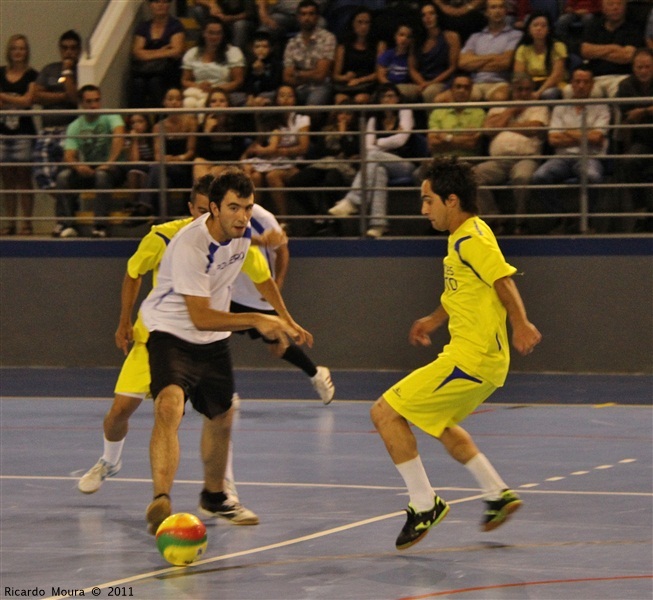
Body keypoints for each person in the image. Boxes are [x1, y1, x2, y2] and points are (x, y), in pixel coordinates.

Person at [370, 155, 542, 551]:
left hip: (472, 358)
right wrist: (432, 320)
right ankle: (497, 493)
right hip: (478, 359)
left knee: (384, 412)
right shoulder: (462, 238)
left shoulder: (472, 237)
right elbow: (462, 292)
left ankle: (423, 504)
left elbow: (502, 280)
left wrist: (522, 323)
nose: (423, 209)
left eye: (428, 200)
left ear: (451, 200)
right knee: (441, 424)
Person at [139, 168, 312, 534]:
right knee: (169, 405)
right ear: (212, 209)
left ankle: (214, 497)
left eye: (247, 207)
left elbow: (264, 281)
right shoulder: (190, 244)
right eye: (233, 207)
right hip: (171, 330)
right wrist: (257, 321)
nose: (242, 215)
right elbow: (200, 317)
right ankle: (161, 499)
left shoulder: (242, 235)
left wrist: (287, 320)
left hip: (211, 340)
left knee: (222, 416)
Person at [77, 176, 214, 495]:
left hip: (199, 344)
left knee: (209, 417)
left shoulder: (230, 242)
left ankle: (220, 489)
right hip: (154, 338)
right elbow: (134, 273)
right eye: (201, 210)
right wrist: (124, 321)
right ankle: (110, 461)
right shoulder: (163, 238)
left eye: (213, 211)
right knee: (118, 413)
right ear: (190, 208)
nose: (207, 218)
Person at [230, 203, 335, 403]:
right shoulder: (218, 213)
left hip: (259, 294)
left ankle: (317, 374)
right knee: (214, 336)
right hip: (230, 292)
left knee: (278, 347)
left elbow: (282, 250)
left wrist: (277, 283)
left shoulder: (263, 217)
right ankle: (224, 392)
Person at [328, 83, 418, 239]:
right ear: (379, 99)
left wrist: (379, 142)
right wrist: (384, 141)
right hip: (380, 163)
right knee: (378, 171)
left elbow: (401, 141)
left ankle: (354, 200)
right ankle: (378, 224)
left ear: (398, 98)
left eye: (392, 96)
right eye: (385, 96)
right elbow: (368, 146)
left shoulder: (404, 112)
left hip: (404, 163)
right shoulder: (374, 120)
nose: (388, 99)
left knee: (373, 158)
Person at [530, 65, 610, 233]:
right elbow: (553, 139)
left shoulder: (601, 107)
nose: (581, 85)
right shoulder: (560, 107)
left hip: (590, 157)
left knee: (592, 176)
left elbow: (597, 138)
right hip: (562, 158)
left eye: (585, 82)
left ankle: (588, 221)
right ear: (571, 83)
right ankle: (561, 218)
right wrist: (584, 135)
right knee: (539, 176)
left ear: (592, 84)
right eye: (577, 81)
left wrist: (567, 133)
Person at [474, 73, 549, 233]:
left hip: (526, 158)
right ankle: (494, 219)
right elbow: (488, 130)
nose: (523, 94)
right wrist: (510, 112)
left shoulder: (539, 106)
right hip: (498, 161)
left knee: (522, 177)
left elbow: (535, 127)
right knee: (472, 175)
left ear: (532, 91)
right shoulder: (500, 106)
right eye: (519, 90)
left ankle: (521, 223)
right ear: (512, 91)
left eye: (527, 90)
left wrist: (504, 124)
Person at [54, 85, 126, 238]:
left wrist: (110, 162)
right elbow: (69, 154)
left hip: (115, 168)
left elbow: (119, 137)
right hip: (90, 168)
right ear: (81, 103)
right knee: (63, 177)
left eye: (97, 100)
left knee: (102, 175)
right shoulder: (75, 126)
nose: (94, 105)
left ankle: (100, 226)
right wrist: (78, 165)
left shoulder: (111, 116)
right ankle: (66, 224)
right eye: (89, 101)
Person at [241, 85, 310, 219]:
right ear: (276, 99)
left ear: (295, 99)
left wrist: (277, 151)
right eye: (282, 96)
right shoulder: (272, 118)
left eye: (290, 96)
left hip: (294, 163)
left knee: (273, 176)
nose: (286, 99)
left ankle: (284, 220)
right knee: (254, 176)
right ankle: (251, 218)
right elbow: (261, 140)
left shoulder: (301, 119)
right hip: (271, 159)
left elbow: (303, 148)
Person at [32, 30, 81, 203]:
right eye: (65, 48)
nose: (69, 52)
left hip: (69, 131)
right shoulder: (49, 69)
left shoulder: (81, 71)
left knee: (66, 176)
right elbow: (36, 96)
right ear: (60, 49)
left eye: (73, 48)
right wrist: (62, 97)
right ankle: (64, 207)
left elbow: (75, 97)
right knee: (42, 174)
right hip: (47, 130)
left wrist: (68, 72)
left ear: (79, 50)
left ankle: (66, 218)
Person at [138, 87, 197, 219]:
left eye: (177, 99)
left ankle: (145, 206)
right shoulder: (159, 127)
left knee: (157, 168)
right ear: (164, 102)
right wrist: (167, 160)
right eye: (170, 99)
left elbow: (191, 152)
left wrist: (175, 159)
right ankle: (162, 217)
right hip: (166, 168)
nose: (174, 102)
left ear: (182, 102)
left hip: (184, 167)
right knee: (161, 177)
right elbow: (158, 155)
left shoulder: (190, 123)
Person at [0, 34, 38, 236]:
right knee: (7, 179)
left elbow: (28, 101)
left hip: (24, 132)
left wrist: (4, 98)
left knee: (24, 178)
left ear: (26, 51)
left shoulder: (32, 75)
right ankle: (10, 222)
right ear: (9, 51)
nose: (18, 52)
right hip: (3, 132)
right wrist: (16, 100)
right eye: (14, 48)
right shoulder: (0, 73)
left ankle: (27, 223)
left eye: (22, 48)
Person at [449, 0, 522, 102]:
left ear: (505, 11)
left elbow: (505, 62)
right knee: (443, 99)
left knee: (499, 97)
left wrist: (476, 63)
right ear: (486, 12)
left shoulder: (515, 35)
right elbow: (462, 63)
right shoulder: (475, 37)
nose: (497, 11)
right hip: (475, 83)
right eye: (493, 7)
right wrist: (492, 57)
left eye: (500, 7)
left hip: (500, 83)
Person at [615, 47, 653, 232]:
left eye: (647, 67)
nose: (643, 71)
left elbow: (636, 113)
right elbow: (628, 116)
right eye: (639, 67)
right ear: (633, 68)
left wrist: (644, 111)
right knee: (629, 162)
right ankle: (641, 214)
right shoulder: (625, 86)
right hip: (642, 141)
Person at [128, 0, 186, 109]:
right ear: (150, 5)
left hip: (168, 70)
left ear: (169, 5)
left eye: (164, 2)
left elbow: (176, 51)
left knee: (155, 82)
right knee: (138, 83)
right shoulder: (143, 27)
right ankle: (137, 118)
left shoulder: (175, 25)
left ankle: (161, 117)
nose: (160, 5)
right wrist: (163, 51)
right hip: (145, 71)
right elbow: (137, 53)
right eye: (156, 2)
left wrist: (148, 53)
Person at [579, 0, 643, 97]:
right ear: (603, 8)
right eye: (611, 4)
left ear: (625, 7)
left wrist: (598, 52)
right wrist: (614, 48)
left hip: (621, 77)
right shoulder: (594, 25)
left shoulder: (633, 28)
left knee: (619, 91)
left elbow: (628, 56)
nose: (615, 7)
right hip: (595, 78)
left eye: (619, 4)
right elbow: (585, 51)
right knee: (571, 91)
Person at [181, 16, 247, 108]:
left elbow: (238, 81)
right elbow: (185, 80)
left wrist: (216, 89)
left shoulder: (233, 52)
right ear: (203, 33)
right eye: (211, 33)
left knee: (204, 103)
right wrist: (199, 86)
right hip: (198, 91)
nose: (214, 37)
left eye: (218, 33)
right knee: (189, 102)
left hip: (223, 92)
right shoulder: (192, 53)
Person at [282, 0, 337, 109]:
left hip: (321, 87)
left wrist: (298, 73)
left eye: (311, 14)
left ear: (317, 17)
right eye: (303, 14)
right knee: (274, 100)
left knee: (312, 107)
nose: (307, 18)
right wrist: (312, 73)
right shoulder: (292, 42)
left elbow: (321, 75)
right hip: (298, 88)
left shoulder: (327, 38)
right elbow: (287, 77)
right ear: (298, 17)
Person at [423, 73, 485, 163]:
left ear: (471, 90)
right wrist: (461, 141)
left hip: (466, 163)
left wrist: (447, 137)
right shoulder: (438, 111)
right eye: (458, 87)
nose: (462, 90)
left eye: (466, 87)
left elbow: (472, 143)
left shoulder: (479, 113)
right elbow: (432, 144)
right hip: (440, 162)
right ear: (451, 90)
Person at [409, 2, 460, 104]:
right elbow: (412, 68)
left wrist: (430, 83)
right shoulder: (416, 40)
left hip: (443, 81)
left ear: (438, 15)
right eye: (424, 15)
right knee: (397, 91)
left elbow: (452, 67)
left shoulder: (451, 37)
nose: (428, 17)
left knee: (429, 93)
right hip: (421, 82)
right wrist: (423, 83)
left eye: (431, 13)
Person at [193, 88, 246, 181]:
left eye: (222, 101)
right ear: (209, 105)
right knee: (198, 162)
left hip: (230, 164)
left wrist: (220, 166)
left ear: (228, 105)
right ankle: (203, 193)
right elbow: (201, 153)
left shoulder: (236, 125)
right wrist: (206, 132)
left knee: (213, 172)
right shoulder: (203, 126)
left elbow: (237, 154)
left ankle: (205, 191)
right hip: (210, 164)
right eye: (213, 101)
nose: (218, 104)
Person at [513, 11, 568, 99]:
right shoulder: (523, 48)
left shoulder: (558, 46)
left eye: (543, 26)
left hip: (552, 85)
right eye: (535, 25)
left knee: (549, 94)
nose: (539, 28)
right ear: (529, 29)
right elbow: (519, 75)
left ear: (548, 29)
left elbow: (557, 75)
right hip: (530, 86)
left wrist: (539, 92)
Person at [332, 7, 378, 105]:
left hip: (368, 84)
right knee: (340, 99)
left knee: (360, 99)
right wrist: (345, 77)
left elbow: (379, 72)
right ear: (352, 23)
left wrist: (359, 80)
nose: (363, 26)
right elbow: (335, 76)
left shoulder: (378, 45)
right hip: (347, 85)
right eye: (360, 22)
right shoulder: (343, 47)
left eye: (367, 23)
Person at [376, 23, 421, 102]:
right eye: (401, 35)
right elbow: (381, 76)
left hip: (406, 87)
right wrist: (392, 87)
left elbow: (414, 74)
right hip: (389, 85)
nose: (404, 39)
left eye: (408, 37)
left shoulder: (412, 57)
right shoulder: (388, 54)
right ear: (395, 36)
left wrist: (411, 52)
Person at [190, 0, 257, 51]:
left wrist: (231, 18)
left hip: (240, 21)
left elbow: (249, 13)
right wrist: (211, 4)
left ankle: (235, 54)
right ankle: (208, 45)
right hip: (220, 19)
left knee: (240, 25)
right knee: (198, 10)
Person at [243, 31, 283, 107]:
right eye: (257, 47)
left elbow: (273, 85)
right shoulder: (250, 63)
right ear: (252, 49)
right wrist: (250, 95)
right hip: (254, 95)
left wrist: (261, 74)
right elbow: (247, 84)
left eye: (265, 46)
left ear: (271, 49)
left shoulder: (276, 64)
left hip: (271, 93)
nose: (261, 50)